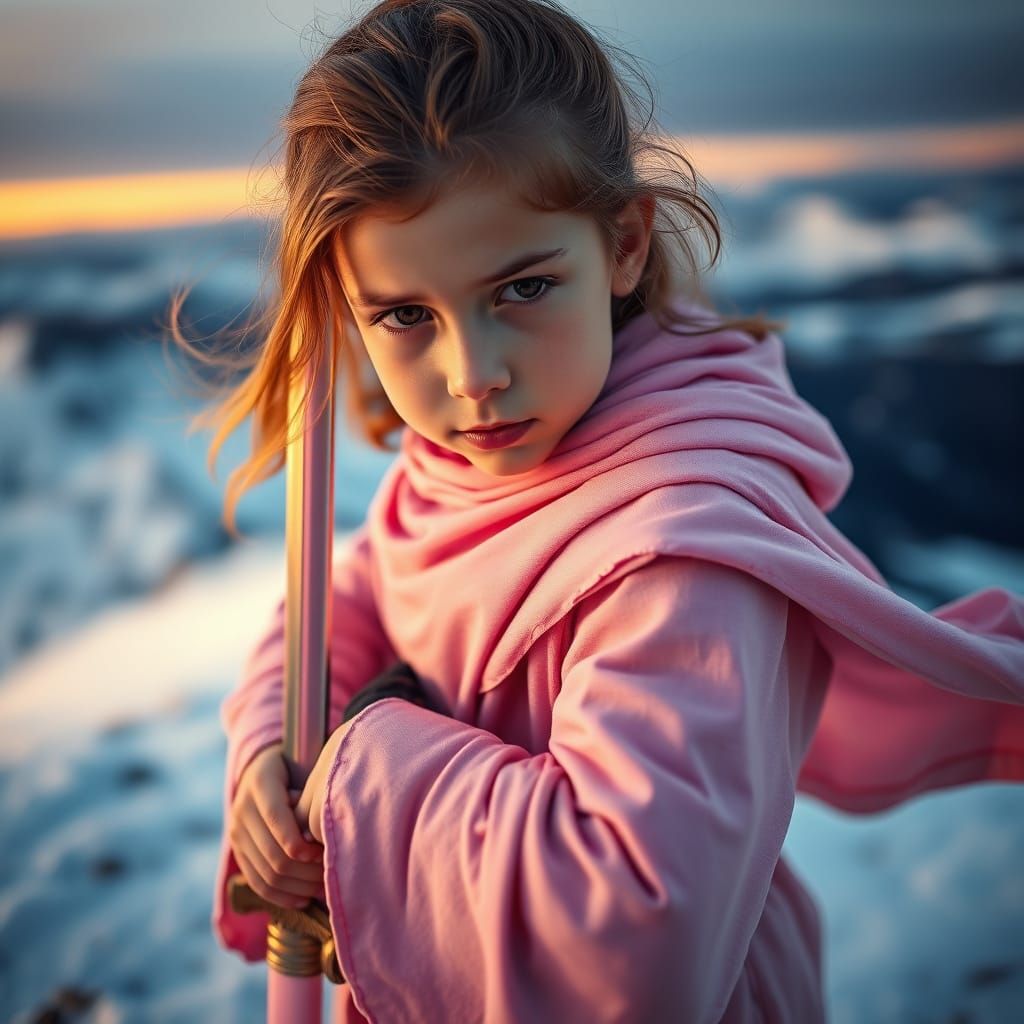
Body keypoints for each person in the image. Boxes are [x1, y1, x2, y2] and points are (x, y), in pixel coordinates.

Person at [169, 1, 1024, 1020]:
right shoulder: (456, 460)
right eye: (404, 315)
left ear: (622, 243)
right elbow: (351, 599)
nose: (471, 375)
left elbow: (632, 924)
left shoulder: (681, 554)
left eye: (523, 288)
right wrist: (277, 742)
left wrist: (356, 774)